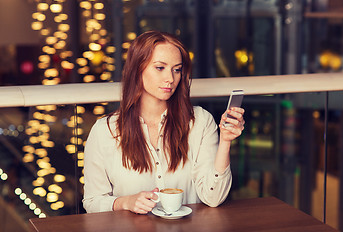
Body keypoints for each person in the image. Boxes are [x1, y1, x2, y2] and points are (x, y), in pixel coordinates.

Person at [82, 31, 245, 214]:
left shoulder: (200, 122)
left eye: (176, 70)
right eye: (160, 68)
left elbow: (213, 198)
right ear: (137, 69)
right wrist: (125, 202)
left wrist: (225, 141)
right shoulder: (105, 131)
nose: (170, 78)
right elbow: (92, 202)